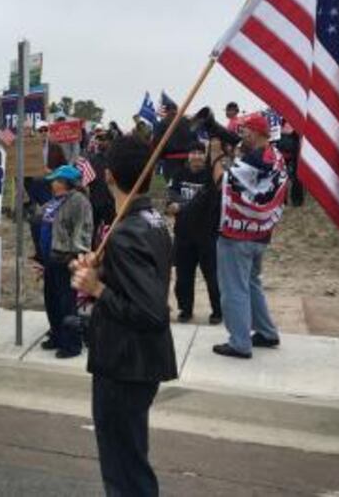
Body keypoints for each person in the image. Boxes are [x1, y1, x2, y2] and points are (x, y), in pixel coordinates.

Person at [71, 135, 178, 497]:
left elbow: (151, 312)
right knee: (131, 457)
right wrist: (99, 271)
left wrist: (99, 289)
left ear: (110, 177)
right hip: (137, 363)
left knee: (123, 469)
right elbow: (141, 282)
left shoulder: (128, 232)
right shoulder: (151, 219)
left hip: (125, 363)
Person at [212, 113, 287, 359]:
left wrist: (215, 154)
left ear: (255, 133)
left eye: (244, 131)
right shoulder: (274, 156)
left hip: (237, 233)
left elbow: (223, 181)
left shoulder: (254, 159)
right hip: (260, 232)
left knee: (234, 287)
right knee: (252, 283)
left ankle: (239, 342)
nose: (240, 136)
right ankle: (266, 332)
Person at [37, 165, 93, 359]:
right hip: (50, 258)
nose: (52, 183)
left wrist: (77, 254)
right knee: (52, 300)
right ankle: (57, 335)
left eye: (55, 180)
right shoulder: (54, 201)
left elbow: (84, 228)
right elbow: (39, 217)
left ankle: (72, 344)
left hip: (66, 258)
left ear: (64, 183)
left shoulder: (79, 201)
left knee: (67, 303)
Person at [166, 141, 221, 324]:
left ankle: (217, 311)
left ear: (204, 155)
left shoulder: (210, 176)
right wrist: (172, 206)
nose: (196, 156)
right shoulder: (179, 174)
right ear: (188, 155)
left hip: (207, 235)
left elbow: (206, 201)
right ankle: (185, 309)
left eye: (200, 152)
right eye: (193, 152)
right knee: (183, 277)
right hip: (183, 234)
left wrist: (181, 206)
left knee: (212, 276)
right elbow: (171, 196)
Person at [151, 102, 194, 183]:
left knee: (172, 188)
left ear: (166, 111)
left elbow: (156, 143)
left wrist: (160, 157)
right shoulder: (187, 122)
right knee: (187, 185)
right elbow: (195, 139)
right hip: (188, 160)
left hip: (170, 162)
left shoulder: (162, 124)